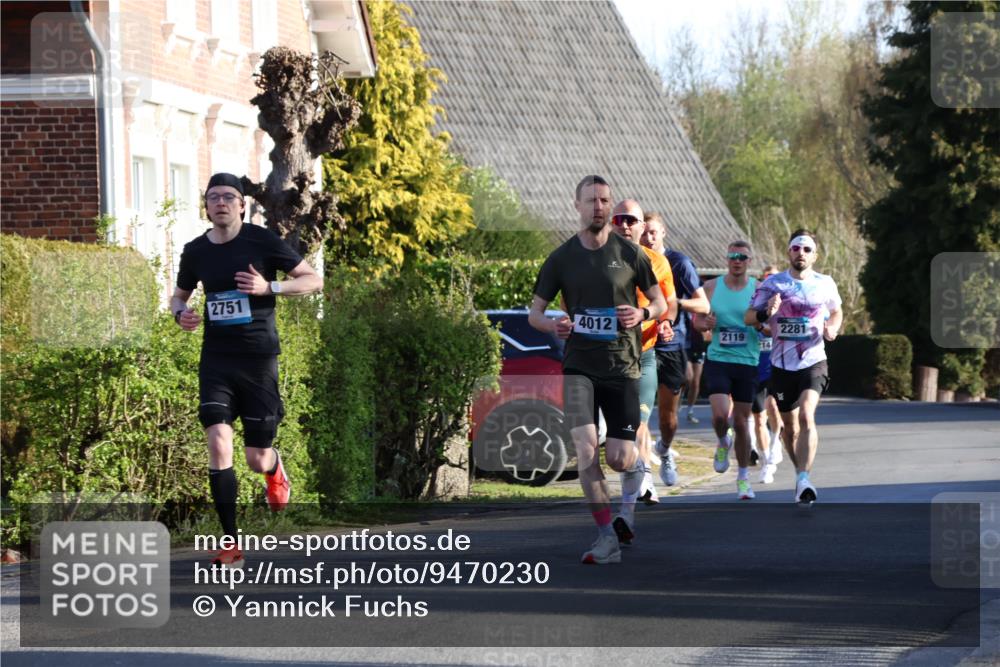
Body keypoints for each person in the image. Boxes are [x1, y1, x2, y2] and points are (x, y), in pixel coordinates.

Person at [172, 173, 323, 568]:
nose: (220, 202)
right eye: (213, 197)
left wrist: (268, 289)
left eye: (229, 197)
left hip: (258, 361)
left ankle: (274, 470)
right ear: (205, 207)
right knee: (219, 442)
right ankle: (231, 542)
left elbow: (313, 279)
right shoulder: (195, 251)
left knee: (256, 457)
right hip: (217, 362)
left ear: (242, 205)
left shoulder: (262, 241)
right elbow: (179, 297)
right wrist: (180, 315)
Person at [528, 175, 668, 564]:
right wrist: (554, 323)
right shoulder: (561, 258)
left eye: (604, 200)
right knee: (586, 451)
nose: (599, 207)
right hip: (578, 367)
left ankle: (634, 473)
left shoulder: (631, 254)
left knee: (620, 458)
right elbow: (535, 314)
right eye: (591, 200)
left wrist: (642, 313)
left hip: (623, 365)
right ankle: (606, 536)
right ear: (577, 205)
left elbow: (661, 304)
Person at [746, 230, 842, 504]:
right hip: (781, 365)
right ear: (789, 252)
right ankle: (801, 475)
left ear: (815, 255)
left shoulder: (825, 283)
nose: (801, 253)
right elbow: (749, 317)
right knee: (790, 428)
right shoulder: (773, 284)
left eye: (807, 249)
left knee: (807, 417)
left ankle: (803, 478)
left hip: (813, 361)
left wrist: (833, 327)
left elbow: (836, 310)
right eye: (796, 248)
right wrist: (767, 313)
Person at [608, 201, 677, 545]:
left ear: (640, 226)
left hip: (644, 356)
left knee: (637, 425)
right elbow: (573, 304)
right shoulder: (596, 259)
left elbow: (667, 304)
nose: (624, 225)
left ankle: (627, 513)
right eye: (618, 219)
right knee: (606, 444)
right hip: (604, 359)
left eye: (630, 220)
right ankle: (638, 476)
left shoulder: (657, 262)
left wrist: (660, 321)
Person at [640, 212, 709, 487]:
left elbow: (702, 305)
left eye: (653, 232)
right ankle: (643, 476)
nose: (648, 237)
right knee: (640, 414)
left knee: (668, 419)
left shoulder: (679, 263)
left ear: (663, 232)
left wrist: (673, 303)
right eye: (644, 232)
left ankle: (665, 450)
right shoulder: (630, 261)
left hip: (671, 344)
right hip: (641, 344)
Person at [693, 241, 760, 500]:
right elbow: (697, 322)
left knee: (742, 423)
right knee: (721, 416)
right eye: (733, 256)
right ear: (727, 259)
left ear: (749, 261)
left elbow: (767, 319)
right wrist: (704, 322)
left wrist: (764, 324)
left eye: (742, 257)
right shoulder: (711, 287)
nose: (737, 261)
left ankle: (743, 478)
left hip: (747, 361)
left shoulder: (758, 289)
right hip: (719, 358)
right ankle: (722, 442)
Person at [750, 265, 781, 484]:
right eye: (766, 278)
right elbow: (747, 320)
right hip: (755, 366)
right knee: (759, 417)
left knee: (774, 409)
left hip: (777, 365)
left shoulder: (787, 302)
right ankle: (764, 460)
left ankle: (775, 441)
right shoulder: (756, 301)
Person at [685, 322, 709, 423]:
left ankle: (690, 410)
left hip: (699, 347)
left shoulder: (704, 308)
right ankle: (675, 403)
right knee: (687, 377)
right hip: (685, 346)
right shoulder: (684, 307)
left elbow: (708, 332)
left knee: (695, 382)